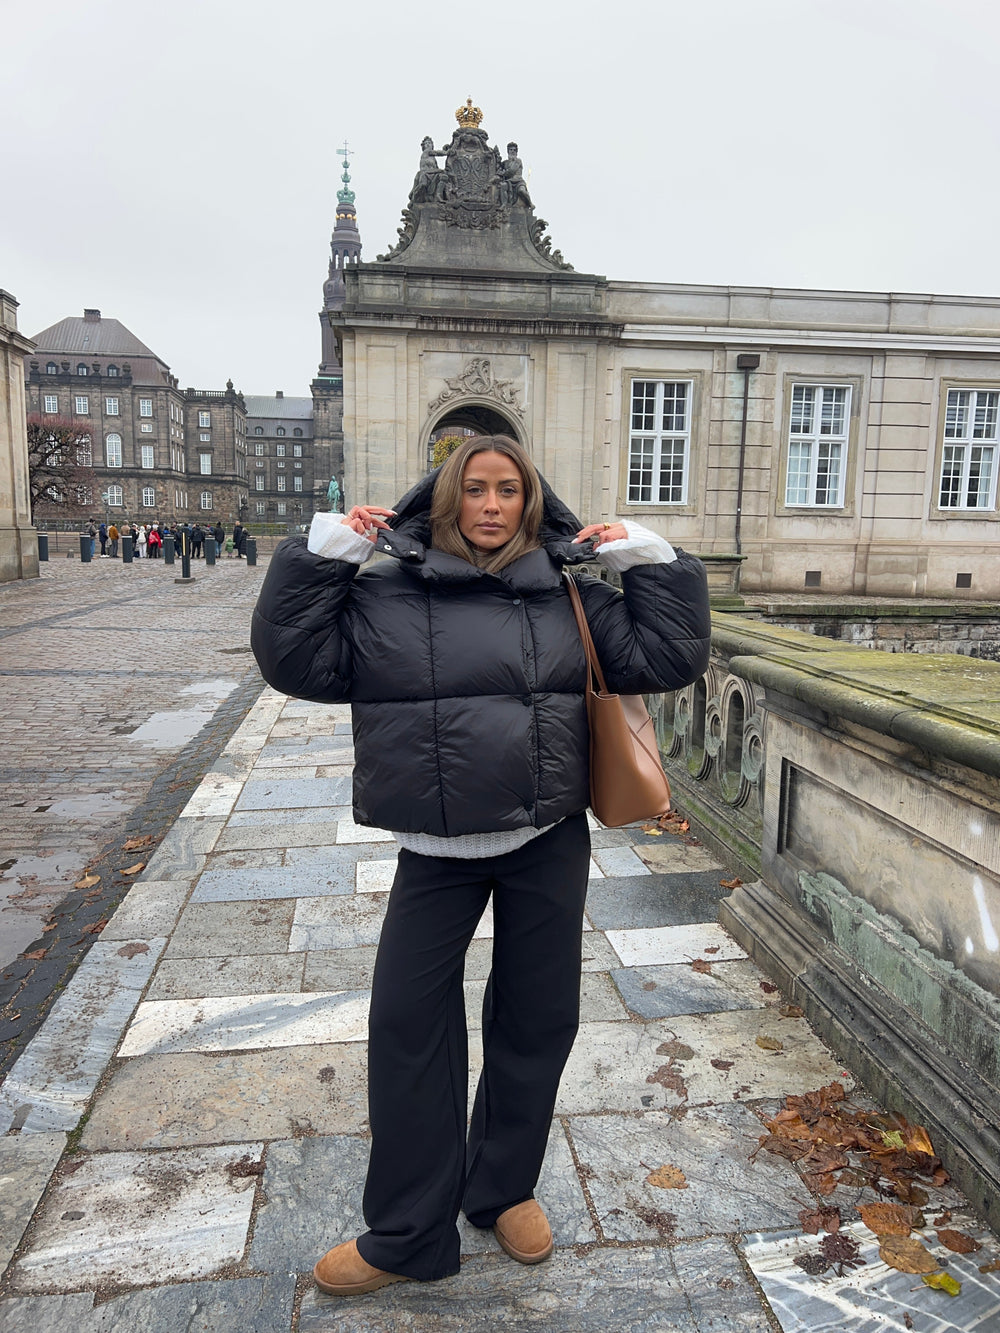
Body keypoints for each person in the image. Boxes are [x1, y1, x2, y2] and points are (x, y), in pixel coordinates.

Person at [251, 435, 710, 1298]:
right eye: (474, 488)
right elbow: (295, 661)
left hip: (546, 839)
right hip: (437, 850)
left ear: (531, 501)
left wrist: (647, 557)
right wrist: (325, 556)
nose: (491, 505)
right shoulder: (384, 592)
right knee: (407, 1029)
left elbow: (669, 655)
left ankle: (503, 1188)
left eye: (508, 489)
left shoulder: (568, 592)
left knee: (537, 1020)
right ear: (446, 496)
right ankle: (407, 1231)